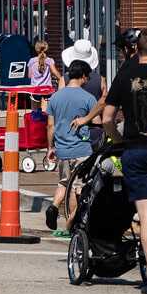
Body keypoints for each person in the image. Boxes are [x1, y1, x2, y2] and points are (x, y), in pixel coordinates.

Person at [80, 27, 147, 294]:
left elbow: (108, 117)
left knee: (146, 214)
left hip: (136, 149)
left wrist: (115, 140)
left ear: (137, 49)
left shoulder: (127, 74)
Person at [45, 61, 98, 220]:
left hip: (62, 149)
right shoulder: (88, 98)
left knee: (63, 183)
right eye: (87, 77)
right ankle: (72, 221)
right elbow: (97, 123)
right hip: (82, 149)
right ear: (83, 76)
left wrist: (50, 147)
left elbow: (50, 126)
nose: (87, 80)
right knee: (78, 187)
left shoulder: (55, 97)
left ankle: (53, 206)